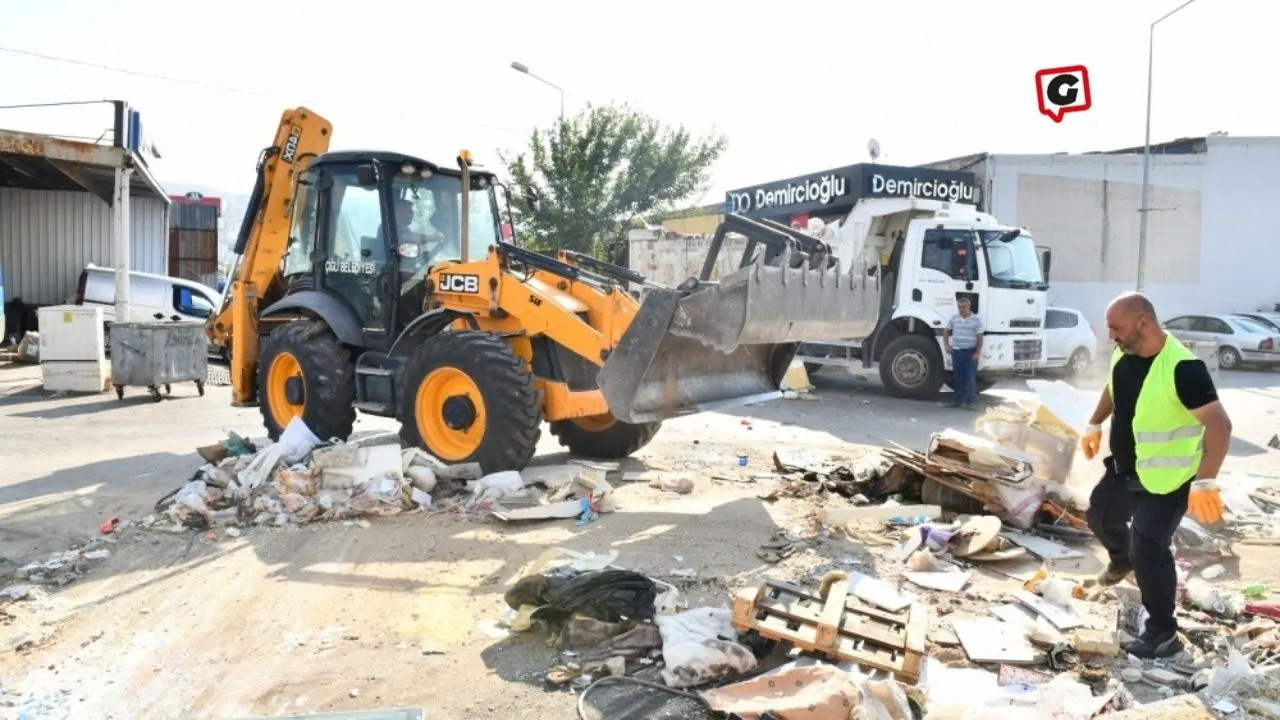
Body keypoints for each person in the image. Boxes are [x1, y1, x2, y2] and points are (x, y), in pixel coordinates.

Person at [1082, 292, 1231, 659]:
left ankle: (1163, 632)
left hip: (1170, 477)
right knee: (1100, 517)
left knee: (1147, 544)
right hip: (1126, 468)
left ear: (1143, 323)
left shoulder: (1183, 368)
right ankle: (1121, 562)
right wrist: (1093, 422)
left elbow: (1220, 426)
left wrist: (1205, 480)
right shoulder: (1124, 353)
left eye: (1116, 328)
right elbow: (1112, 387)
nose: (1111, 336)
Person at [943, 296, 983, 409]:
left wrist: (977, 353)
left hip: (970, 352)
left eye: (964, 307)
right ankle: (957, 401)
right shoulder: (954, 318)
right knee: (958, 377)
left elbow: (980, 337)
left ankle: (971, 402)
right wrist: (946, 345)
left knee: (970, 378)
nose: (961, 309)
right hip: (956, 352)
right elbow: (946, 331)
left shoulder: (977, 320)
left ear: (969, 307)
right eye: (959, 307)